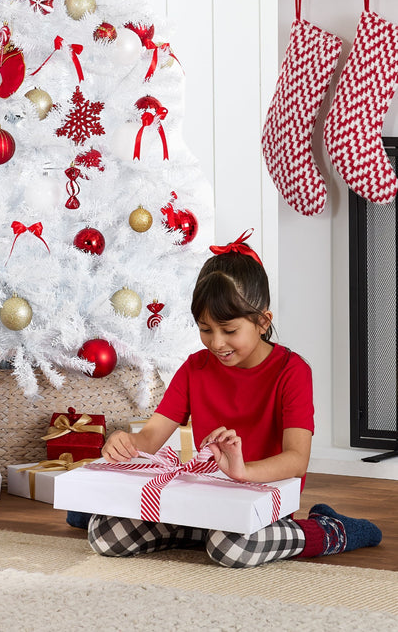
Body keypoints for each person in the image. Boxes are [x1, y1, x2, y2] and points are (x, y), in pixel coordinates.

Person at [86, 230, 382, 568]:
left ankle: (327, 530)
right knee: (103, 534)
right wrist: (125, 442)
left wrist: (243, 472)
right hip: (206, 495)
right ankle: (202, 533)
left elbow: (296, 460)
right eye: (205, 329)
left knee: (232, 549)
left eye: (229, 331)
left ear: (262, 322)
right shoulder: (195, 368)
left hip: (261, 496)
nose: (216, 343)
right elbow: (151, 436)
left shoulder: (292, 371)